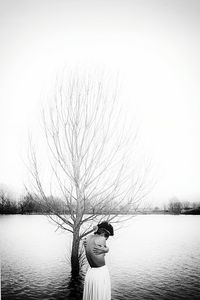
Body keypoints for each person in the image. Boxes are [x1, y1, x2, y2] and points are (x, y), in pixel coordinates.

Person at [83, 221, 114, 300]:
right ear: (104, 233)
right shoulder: (102, 239)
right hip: (100, 273)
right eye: (107, 236)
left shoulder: (88, 238)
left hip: (90, 273)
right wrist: (107, 249)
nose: (107, 238)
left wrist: (106, 250)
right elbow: (104, 251)